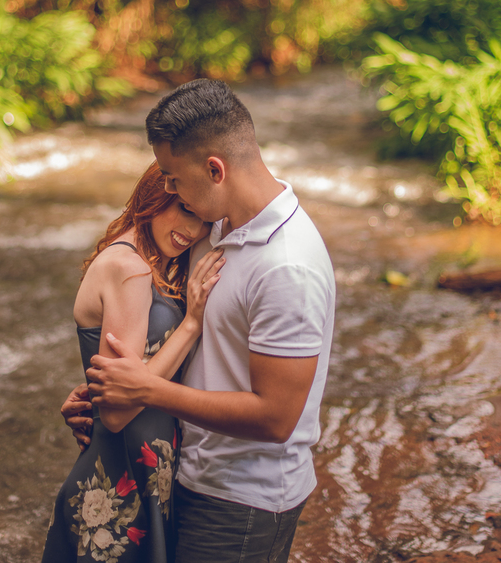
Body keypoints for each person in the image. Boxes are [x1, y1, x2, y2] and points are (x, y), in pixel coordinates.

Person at [80, 79, 337, 563]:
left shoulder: (287, 268)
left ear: (214, 169)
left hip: (243, 499)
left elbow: (276, 417)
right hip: (190, 474)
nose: (168, 189)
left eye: (173, 178)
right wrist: (101, 391)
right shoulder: (214, 224)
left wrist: (145, 390)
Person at [41, 161, 226, 563]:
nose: (193, 230)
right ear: (155, 195)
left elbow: (130, 371)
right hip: (120, 477)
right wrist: (191, 324)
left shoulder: (146, 258)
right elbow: (117, 412)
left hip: (143, 470)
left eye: (203, 219)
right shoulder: (131, 269)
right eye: (184, 209)